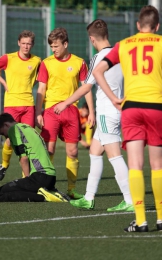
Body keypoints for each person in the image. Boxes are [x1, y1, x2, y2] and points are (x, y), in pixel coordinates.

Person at [92, 5, 162, 232]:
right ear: (157, 26)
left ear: (137, 25)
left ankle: (141, 220)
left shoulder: (125, 44)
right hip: (156, 106)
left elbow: (97, 71)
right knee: (158, 165)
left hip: (131, 108)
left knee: (135, 164)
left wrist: (114, 97)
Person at [54, 19, 134, 212]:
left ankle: (131, 199)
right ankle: (89, 198)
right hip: (114, 112)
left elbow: (86, 87)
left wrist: (65, 103)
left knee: (115, 157)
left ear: (91, 39)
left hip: (107, 113)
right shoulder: (120, 54)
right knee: (95, 152)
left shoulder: (99, 58)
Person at [36, 27, 95, 200]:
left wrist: (91, 111)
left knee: (73, 152)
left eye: (56, 46)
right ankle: (47, 186)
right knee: (49, 149)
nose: (53, 50)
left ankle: (71, 189)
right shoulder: (46, 63)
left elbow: (87, 88)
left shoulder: (79, 62)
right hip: (51, 111)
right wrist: (38, 112)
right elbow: (41, 88)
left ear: (66, 44)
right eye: (51, 47)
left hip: (71, 112)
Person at [0, 30, 41, 182]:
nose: (26, 46)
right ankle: (4, 165)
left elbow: (41, 77)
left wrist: (31, 84)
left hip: (28, 105)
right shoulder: (8, 58)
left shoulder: (37, 61)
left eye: (29, 44)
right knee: (11, 140)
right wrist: (3, 82)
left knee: (27, 140)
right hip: (11, 104)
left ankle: (26, 177)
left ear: (32, 45)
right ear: (18, 43)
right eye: (23, 43)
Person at [0, 113, 68, 202]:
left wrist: (27, 178)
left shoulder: (13, 130)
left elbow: (23, 158)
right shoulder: (27, 127)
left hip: (39, 177)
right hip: (51, 177)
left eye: (3, 133)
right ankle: (51, 192)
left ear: (6, 124)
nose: (6, 136)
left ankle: (44, 197)